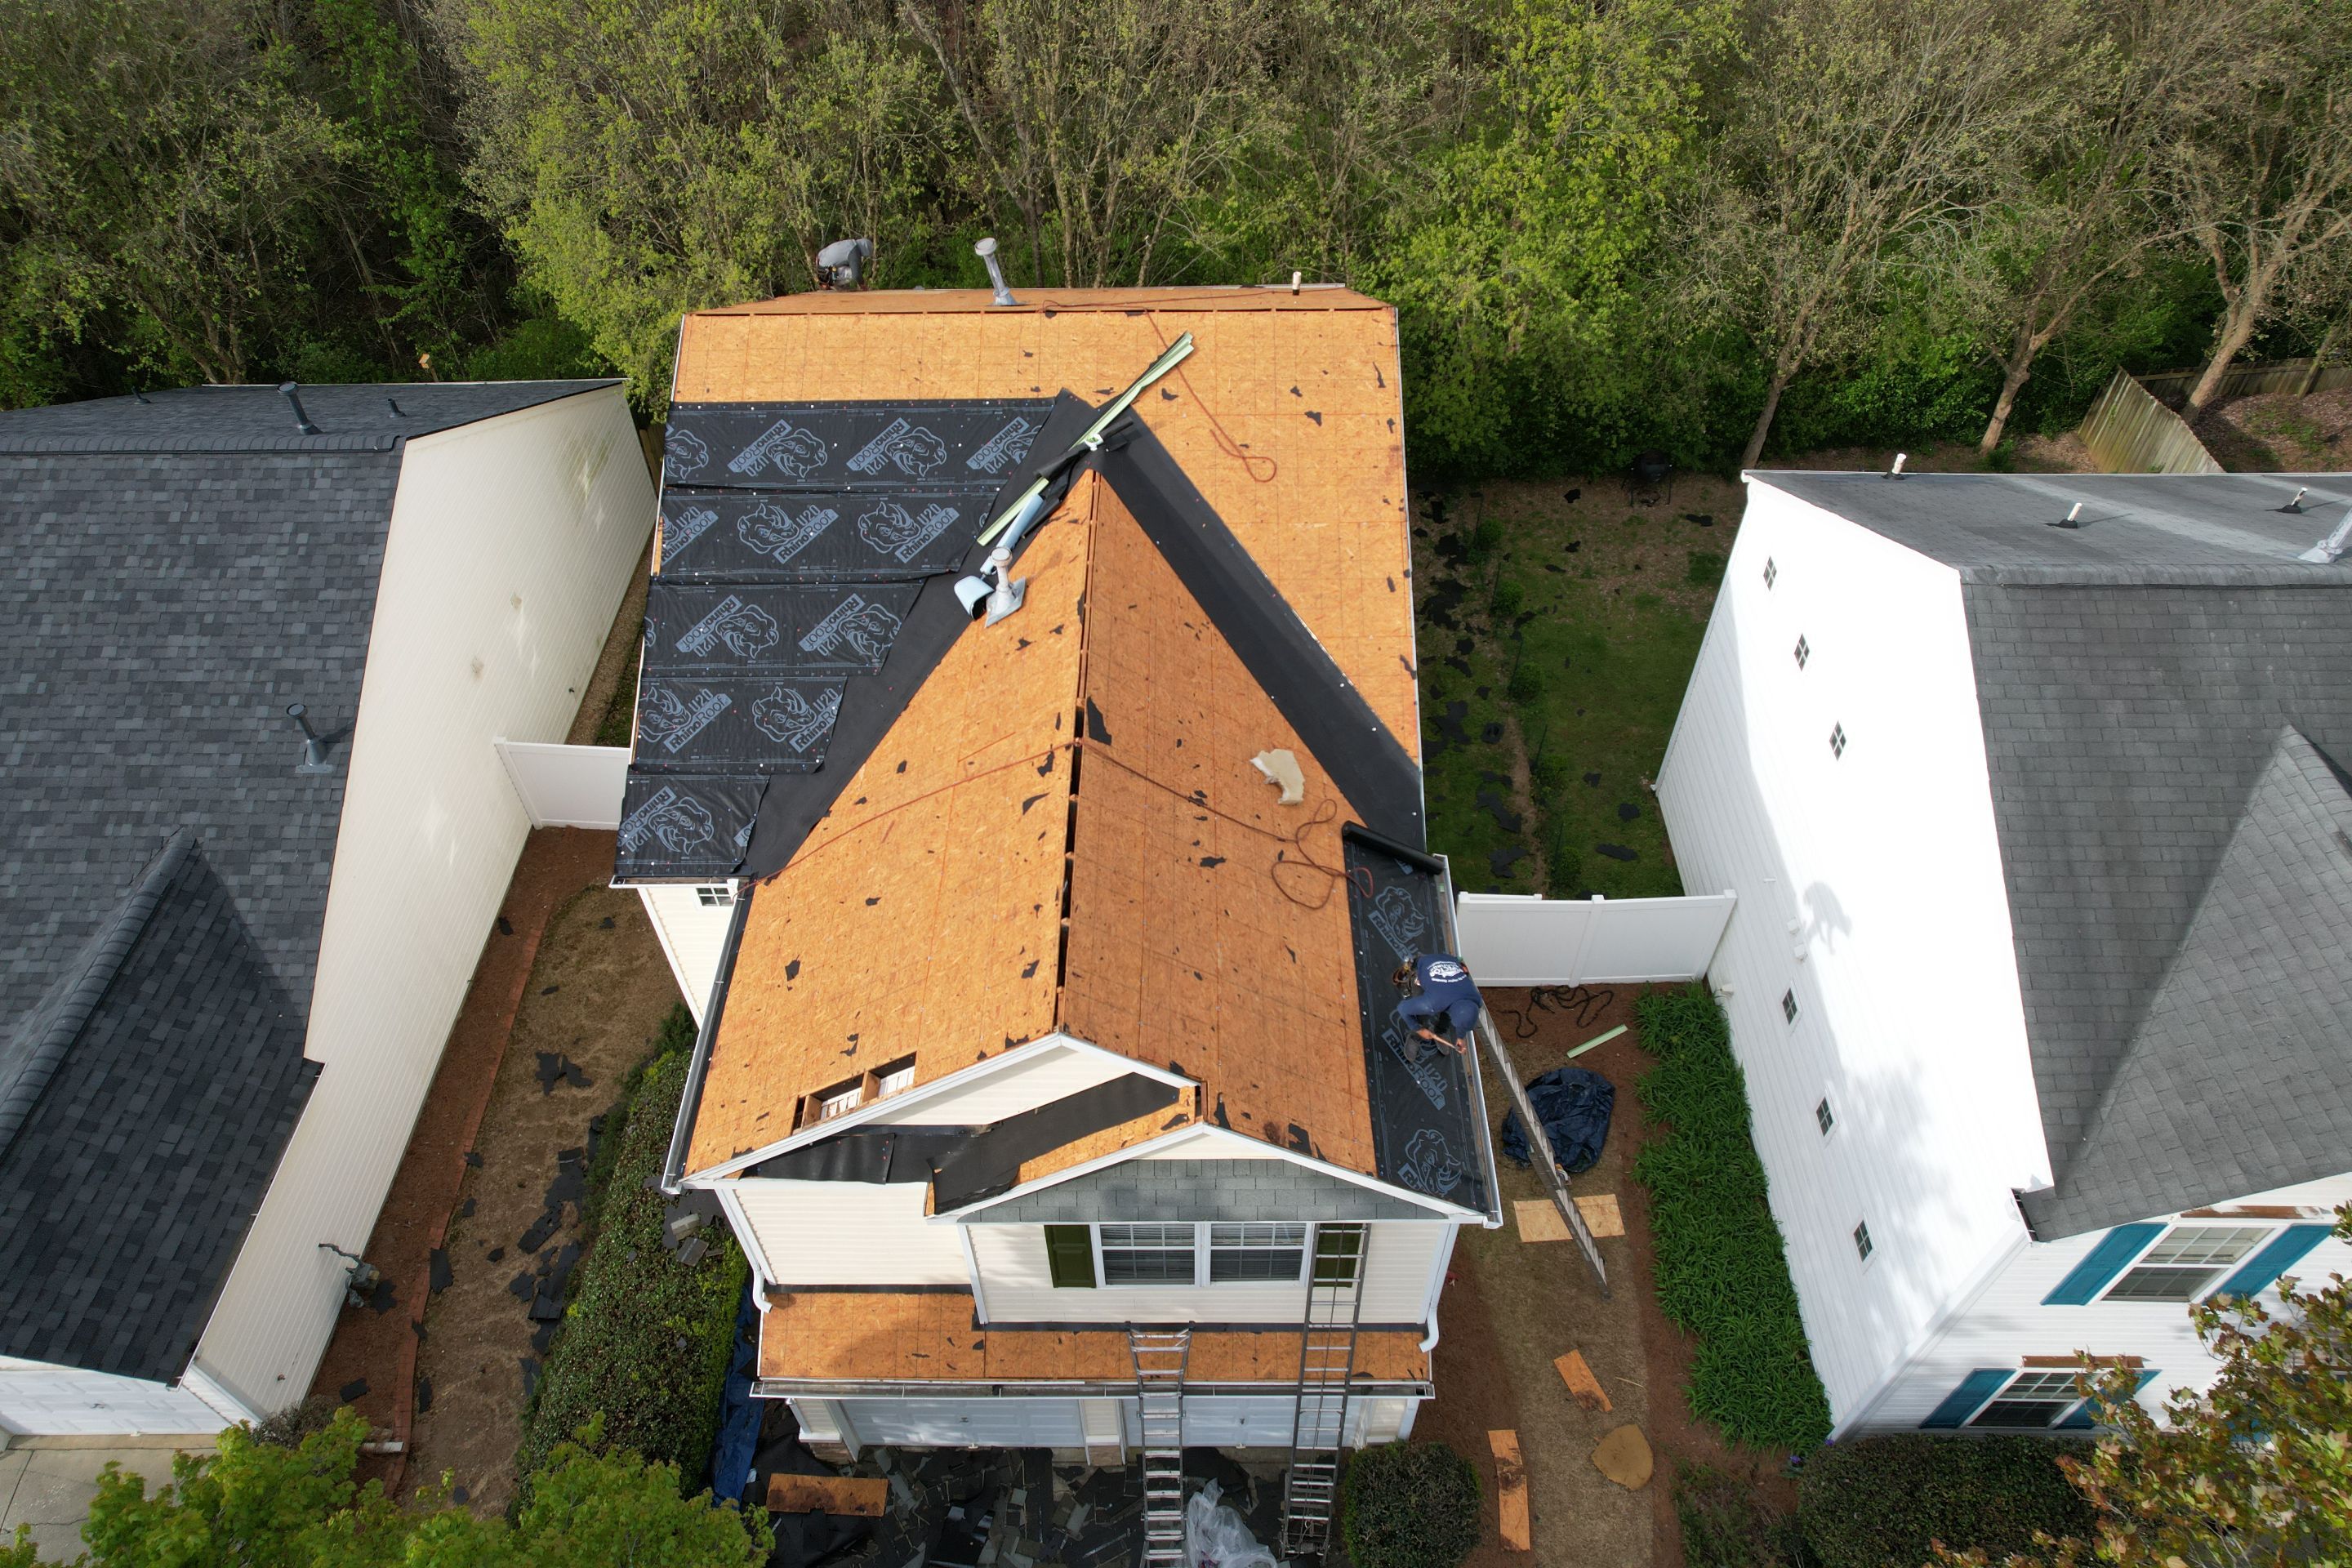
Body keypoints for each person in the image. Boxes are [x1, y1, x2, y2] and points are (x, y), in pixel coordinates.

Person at [1392, 952, 1484, 1062]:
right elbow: (1403, 1008)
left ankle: (1440, 1031)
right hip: (1424, 965)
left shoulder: (1476, 998)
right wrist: (1419, 1030)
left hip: (1448, 962)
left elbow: (1464, 1018)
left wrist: (1460, 1037)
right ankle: (1415, 1036)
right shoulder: (1432, 1003)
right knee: (1422, 1014)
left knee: (1447, 1015)